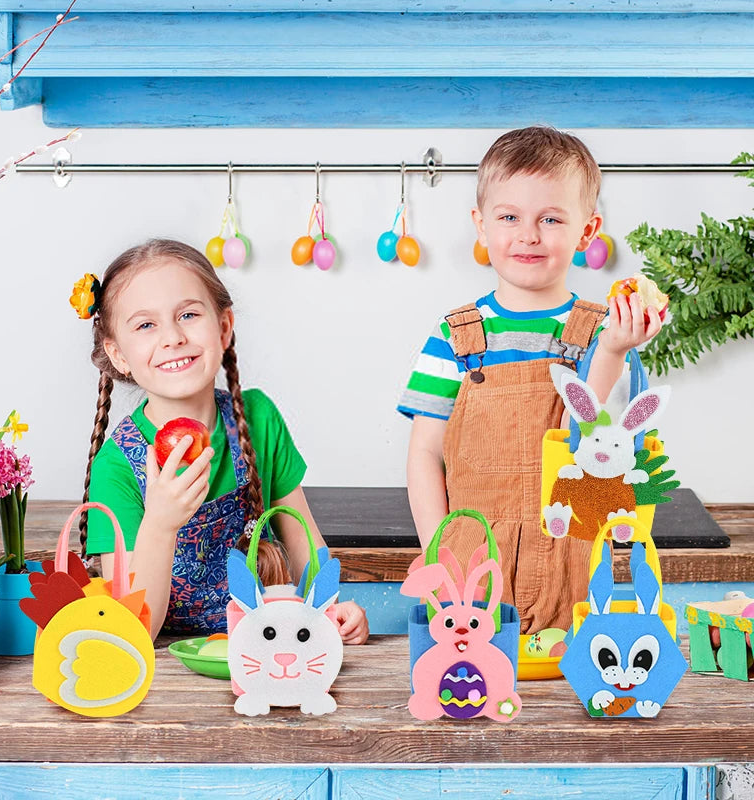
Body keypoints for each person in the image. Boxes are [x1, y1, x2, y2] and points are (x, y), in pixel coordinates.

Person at [398, 126, 663, 634]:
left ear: (588, 231)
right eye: (509, 217)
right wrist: (438, 555)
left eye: (550, 218)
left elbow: (597, 445)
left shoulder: (609, 335)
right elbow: (425, 452)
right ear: (480, 225)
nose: (529, 235)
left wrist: (611, 350)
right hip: (471, 567)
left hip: (578, 560)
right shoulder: (454, 337)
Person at [73, 238, 368, 642]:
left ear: (224, 327)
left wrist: (332, 607)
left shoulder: (258, 418)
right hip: (168, 671)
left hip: (266, 648)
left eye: (189, 314)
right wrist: (160, 522)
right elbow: (134, 629)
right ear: (119, 354)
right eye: (145, 325)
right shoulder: (118, 465)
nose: (173, 337)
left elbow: (303, 542)